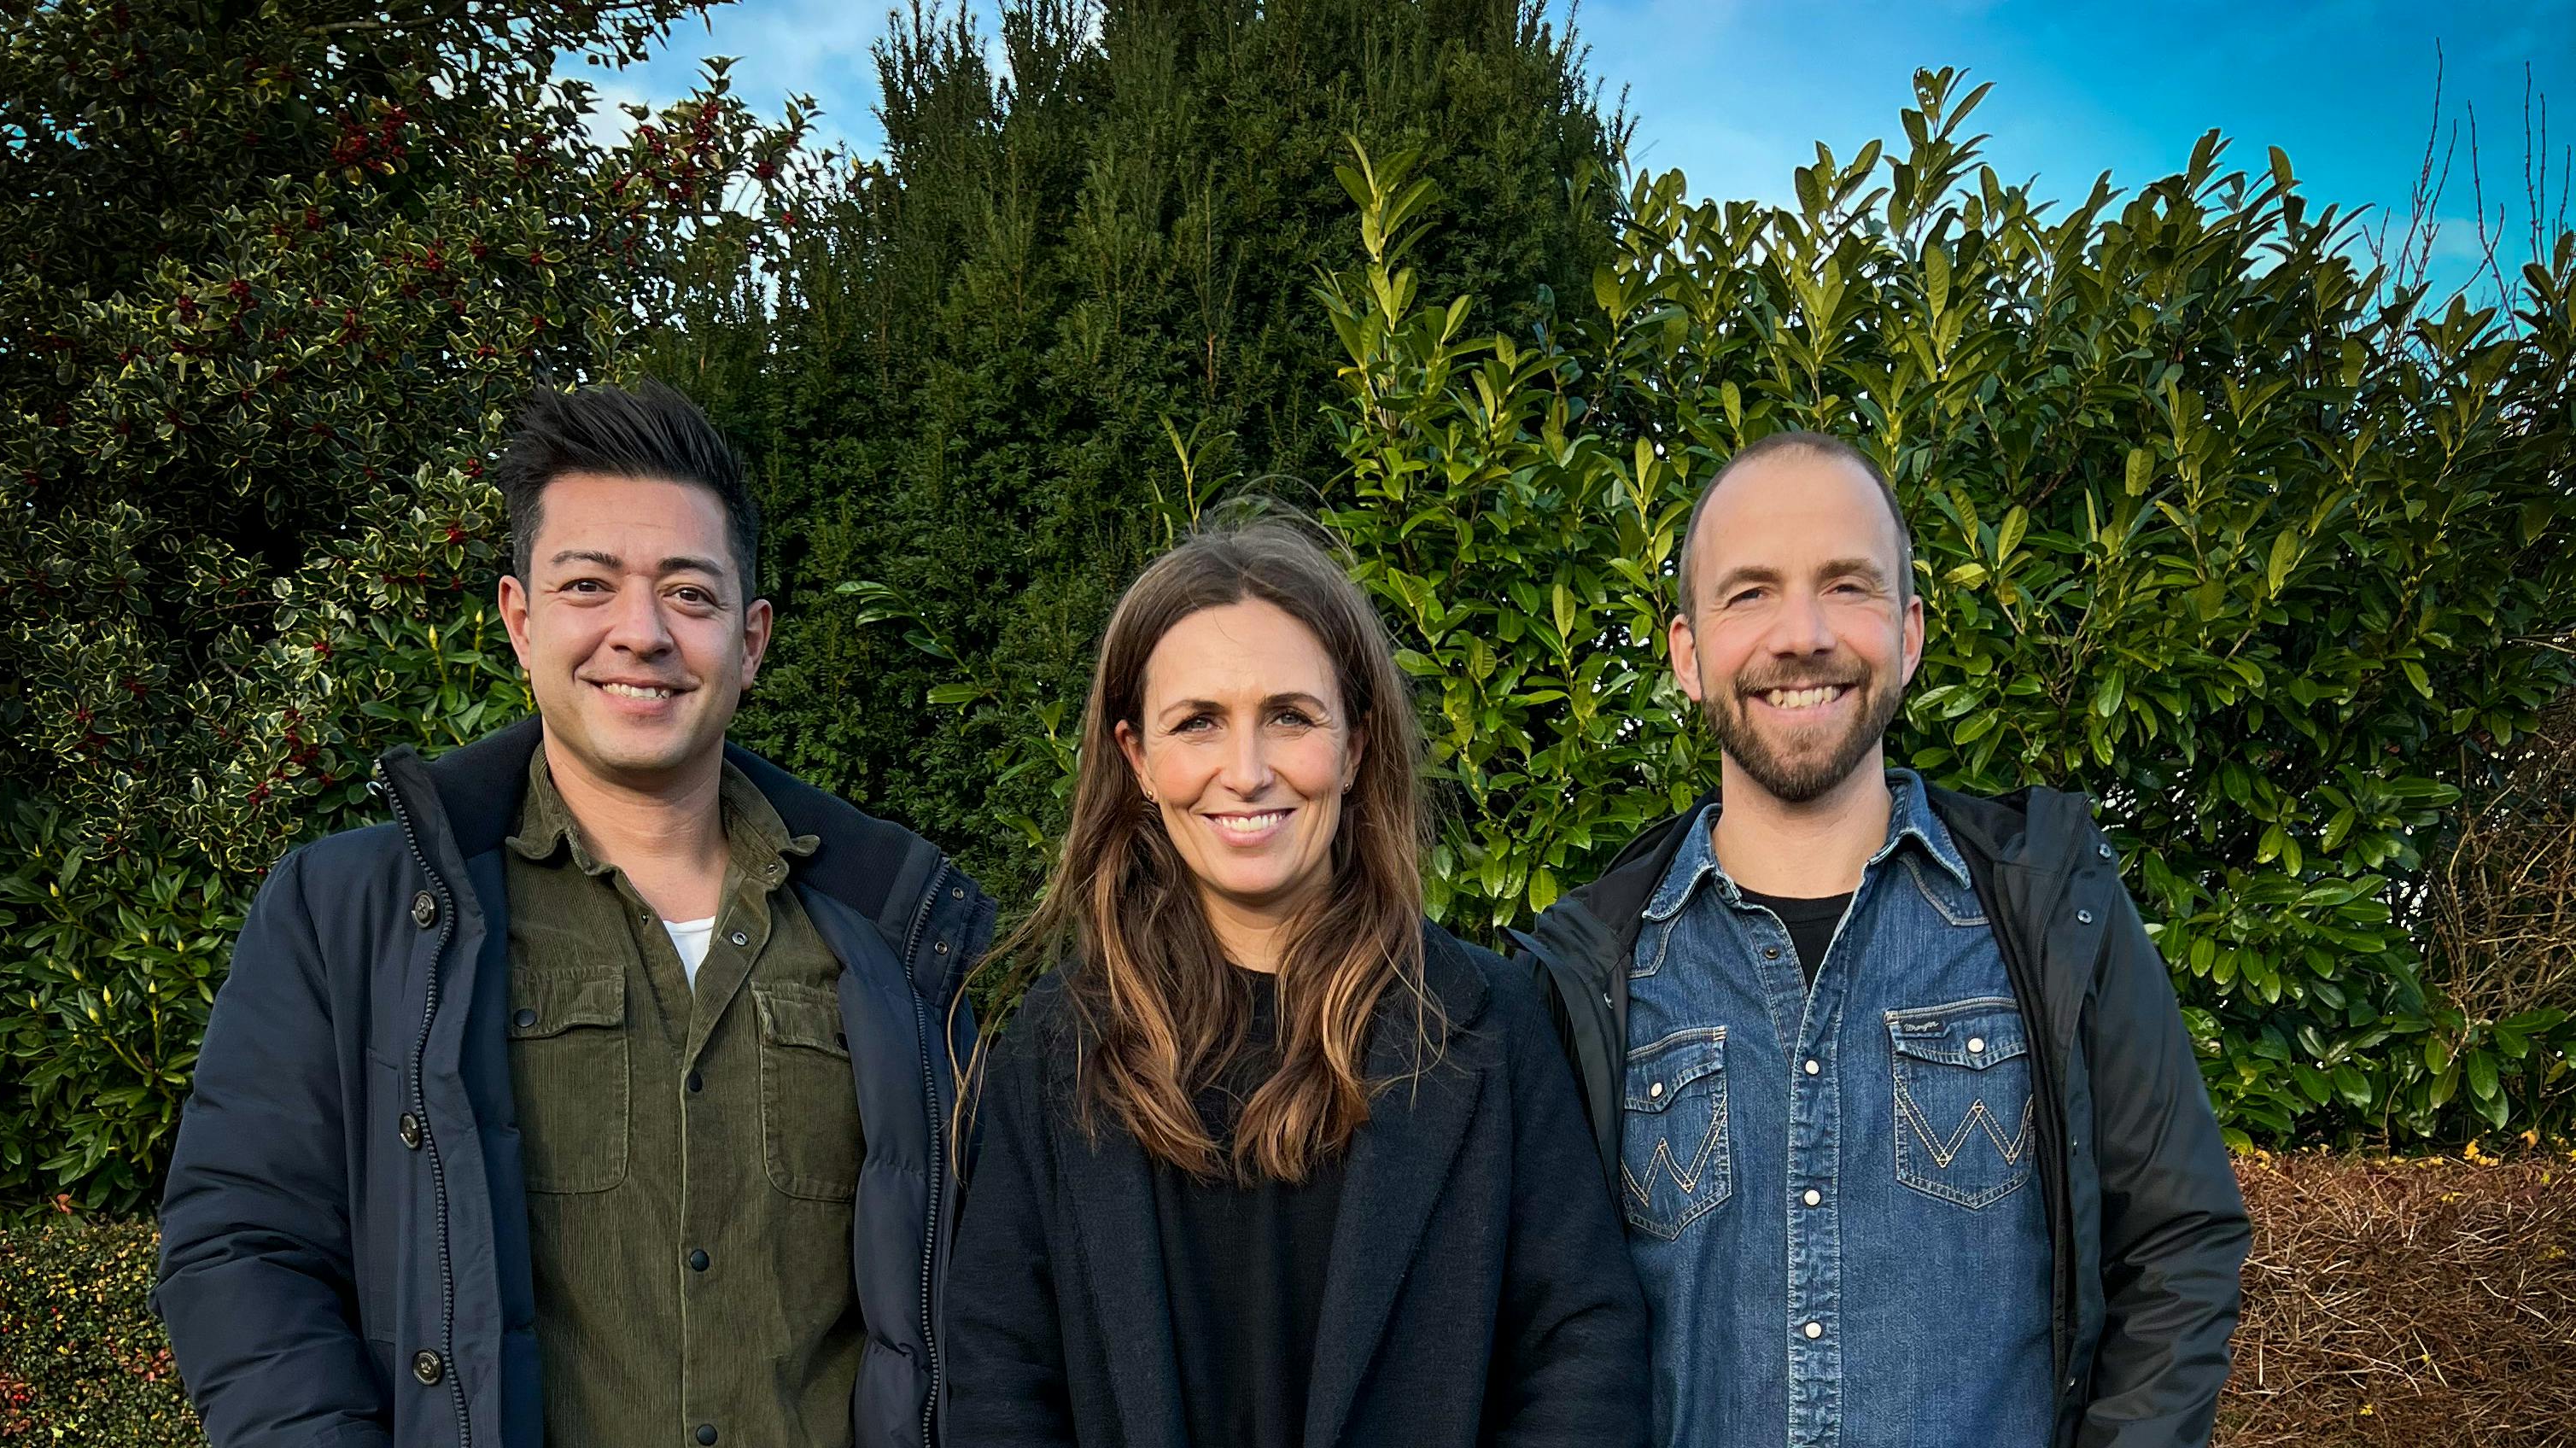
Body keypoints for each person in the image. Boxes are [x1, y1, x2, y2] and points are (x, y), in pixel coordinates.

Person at [155, 382, 992, 1448]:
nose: (639, 634)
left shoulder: (901, 936)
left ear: (753, 639)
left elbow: (982, 1292)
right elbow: (241, 1247)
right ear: (520, 618)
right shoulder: (347, 918)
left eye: (690, 594)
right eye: (589, 584)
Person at [1517, 432, 2251, 1448]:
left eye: (1847, 585)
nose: (1802, 633)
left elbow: (2177, 1245)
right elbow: (1540, 1329)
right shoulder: (1591, 971)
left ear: (1909, 634)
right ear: (1687, 653)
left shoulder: (2046, 912)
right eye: (1750, 593)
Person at [944, 520, 1646, 1448]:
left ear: (1355, 747)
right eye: (1197, 722)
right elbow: (997, 1378)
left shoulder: (1489, 1026)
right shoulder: (1058, 1046)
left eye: (1290, 716)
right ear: (1137, 759)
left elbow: (1581, 1353)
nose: (1247, 771)